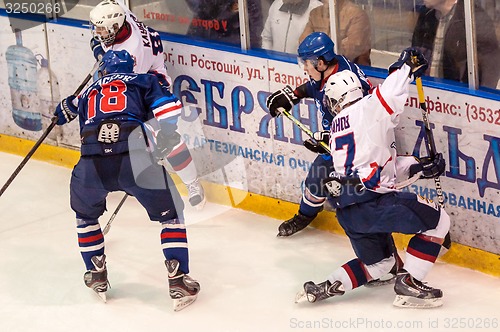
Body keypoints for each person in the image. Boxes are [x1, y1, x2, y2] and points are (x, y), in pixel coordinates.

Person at [295, 48, 450, 308]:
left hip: (349, 210)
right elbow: (389, 93)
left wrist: (419, 166)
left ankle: (328, 285)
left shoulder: (336, 128)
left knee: (380, 264)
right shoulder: (365, 110)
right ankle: (410, 283)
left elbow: (378, 168)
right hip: (373, 204)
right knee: (439, 221)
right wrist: (404, 67)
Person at [53, 50, 200, 311]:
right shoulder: (142, 80)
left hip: (91, 164)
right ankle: (177, 277)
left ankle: (95, 270)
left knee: (85, 216)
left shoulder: (87, 91)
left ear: (103, 71)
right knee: (172, 215)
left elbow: (64, 109)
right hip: (135, 161)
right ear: (131, 67)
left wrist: (61, 111)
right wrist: (166, 135)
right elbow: (168, 109)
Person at [89, 0, 206, 209]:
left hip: (150, 89)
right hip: (139, 80)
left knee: (167, 139)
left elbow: (119, 80)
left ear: (115, 27)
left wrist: (99, 53)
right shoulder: (122, 16)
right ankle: (114, 177)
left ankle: (192, 184)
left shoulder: (132, 52)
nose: (97, 32)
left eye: (101, 28)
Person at [267, 32, 372, 238]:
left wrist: (330, 139)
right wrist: (294, 96)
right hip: (337, 143)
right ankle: (305, 215)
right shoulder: (333, 67)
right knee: (317, 178)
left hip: (357, 149)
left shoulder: (346, 85)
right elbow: (314, 86)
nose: (305, 68)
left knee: (354, 191)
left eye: (306, 63)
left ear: (321, 63)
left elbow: (360, 123)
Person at [412, 0, 500, 88]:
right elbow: (415, 54)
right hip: (427, 93)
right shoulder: (426, 16)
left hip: (455, 96)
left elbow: (490, 68)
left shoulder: (473, 18)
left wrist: (475, 99)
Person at [299, 0, 372, 66]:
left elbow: (349, 50)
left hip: (350, 71)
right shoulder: (315, 13)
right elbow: (303, 42)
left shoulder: (357, 14)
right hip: (319, 69)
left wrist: (316, 53)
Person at [185, 0, 263, 48]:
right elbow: (200, 8)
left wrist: (253, 52)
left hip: (233, 46)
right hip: (201, 38)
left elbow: (255, 25)